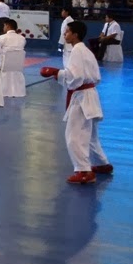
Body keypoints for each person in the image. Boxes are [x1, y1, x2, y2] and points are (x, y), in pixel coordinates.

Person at [39, 21, 112, 184]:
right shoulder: (85, 50)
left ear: (75, 34)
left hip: (82, 97)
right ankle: (101, 163)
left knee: (74, 135)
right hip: (90, 94)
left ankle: (84, 171)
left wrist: (56, 72)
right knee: (90, 134)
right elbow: (91, 75)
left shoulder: (77, 51)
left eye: (67, 32)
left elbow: (75, 77)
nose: (64, 35)